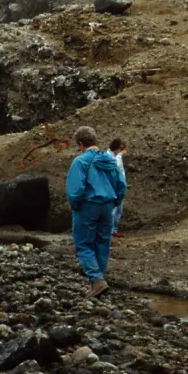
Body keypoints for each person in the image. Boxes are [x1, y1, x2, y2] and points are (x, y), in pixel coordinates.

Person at [67, 126, 126, 298]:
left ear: (81, 144)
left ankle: (97, 279)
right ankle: (100, 280)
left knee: (84, 244)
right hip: (107, 206)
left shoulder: (80, 162)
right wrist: (115, 202)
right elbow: (121, 185)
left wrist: (75, 205)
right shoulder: (109, 160)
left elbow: (75, 190)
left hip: (88, 205)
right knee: (102, 242)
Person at [108, 138, 127, 236]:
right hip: (113, 186)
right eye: (121, 149)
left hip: (118, 186)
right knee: (113, 209)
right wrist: (120, 155)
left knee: (118, 209)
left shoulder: (114, 155)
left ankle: (113, 229)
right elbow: (116, 164)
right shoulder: (110, 157)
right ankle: (110, 230)